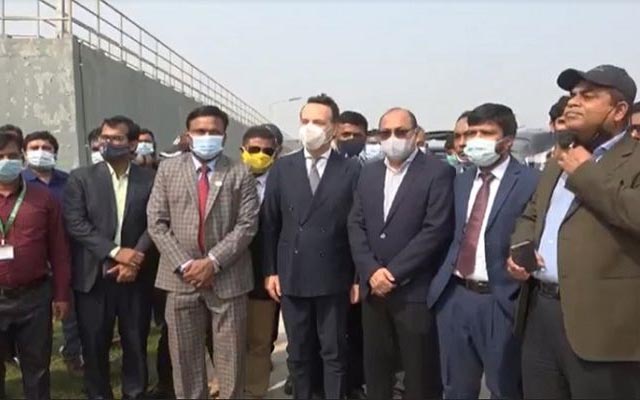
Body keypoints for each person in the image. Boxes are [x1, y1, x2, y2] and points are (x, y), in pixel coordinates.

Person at [507, 64, 640, 399]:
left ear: (619, 111)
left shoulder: (634, 160)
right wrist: (521, 246)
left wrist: (585, 174)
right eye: (572, 95)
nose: (573, 102)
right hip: (541, 314)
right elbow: (532, 212)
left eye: (588, 96)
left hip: (604, 329)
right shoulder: (559, 159)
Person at [427, 103, 539, 398]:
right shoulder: (461, 180)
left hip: (501, 299)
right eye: (472, 132)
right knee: (456, 388)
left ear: (507, 141)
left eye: (486, 133)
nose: (475, 140)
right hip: (455, 296)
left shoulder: (530, 182)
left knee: (504, 387)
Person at [147, 105, 259, 399]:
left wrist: (212, 262)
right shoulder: (168, 170)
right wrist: (186, 265)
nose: (207, 136)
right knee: (184, 358)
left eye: (214, 131)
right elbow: (156, 222)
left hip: (228, 278)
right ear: (188, 135)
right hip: (180, 279)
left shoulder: (240, 172)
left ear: (224, 136)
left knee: (231, 358)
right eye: (200, 131)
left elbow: (247, 225)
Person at [348, 107, 454, 400]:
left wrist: (393, 274)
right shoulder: (369, 173)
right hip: (374, 291)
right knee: (377, 370)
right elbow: (356, 224)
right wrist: (371, 271)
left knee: (419, 373)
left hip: (413, 291)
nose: (393, 138)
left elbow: (435, 230)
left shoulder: (437, 172)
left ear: (415, 134)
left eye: (401, 132)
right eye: (386, 133)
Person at [262, 94, 360, 400]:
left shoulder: (351, 169)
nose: (310, 128)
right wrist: (270, 271)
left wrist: (356, 278)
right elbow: (270, 224)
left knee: (334, 351)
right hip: (292, 275)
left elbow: (358, 227)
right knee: (299, 352)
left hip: (334, 276)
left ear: (334, 127)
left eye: (318, 122)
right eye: (305, 121)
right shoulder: (283, 168)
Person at [63, 116, 156, 400]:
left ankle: (135, 394)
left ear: (132, 144)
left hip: (135, 277)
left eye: (116, 138)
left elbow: (156, 222)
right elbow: (76, 223)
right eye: (104, 137)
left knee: (135, 343)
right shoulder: (81, 178)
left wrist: (135, 258)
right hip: (94, 277)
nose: (108, 143)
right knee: (94, 346)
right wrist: (115, 252)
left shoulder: (150, 179)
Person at [0, 132, 71, 400]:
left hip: (34, 297)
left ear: (22, 158)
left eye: (11, 156)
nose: (6, 161)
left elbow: (59, 250)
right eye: (0, 157)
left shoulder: (43, 198)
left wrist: (61, 295)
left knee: (37, 369)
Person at [21, 131, 84, 376]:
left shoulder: (69, 182)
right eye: (34, 147)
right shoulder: (18, 182)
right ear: (25, 153)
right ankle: (27, 358)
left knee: (70, 308)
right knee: (32, 317)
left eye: (46, 148)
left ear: (55, 153)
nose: (40, 152)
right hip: (31, 258)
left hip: (66, 254)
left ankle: (73, 353)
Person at [238, 125, 280, 399]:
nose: (260, 155)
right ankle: (229, 382)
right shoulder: (228, 179)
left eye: (267, 151)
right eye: (254, 149)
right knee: (227, 338)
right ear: (242, 150)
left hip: (264, 274)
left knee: (260, 339)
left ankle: (255, 389)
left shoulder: (282, 184)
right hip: (228, 273)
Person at [525, 96, 570, 170]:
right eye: (562, 122)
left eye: (572, 122)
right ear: (552, 125)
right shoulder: (532, 163)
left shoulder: (588, 163)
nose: (567, 127)